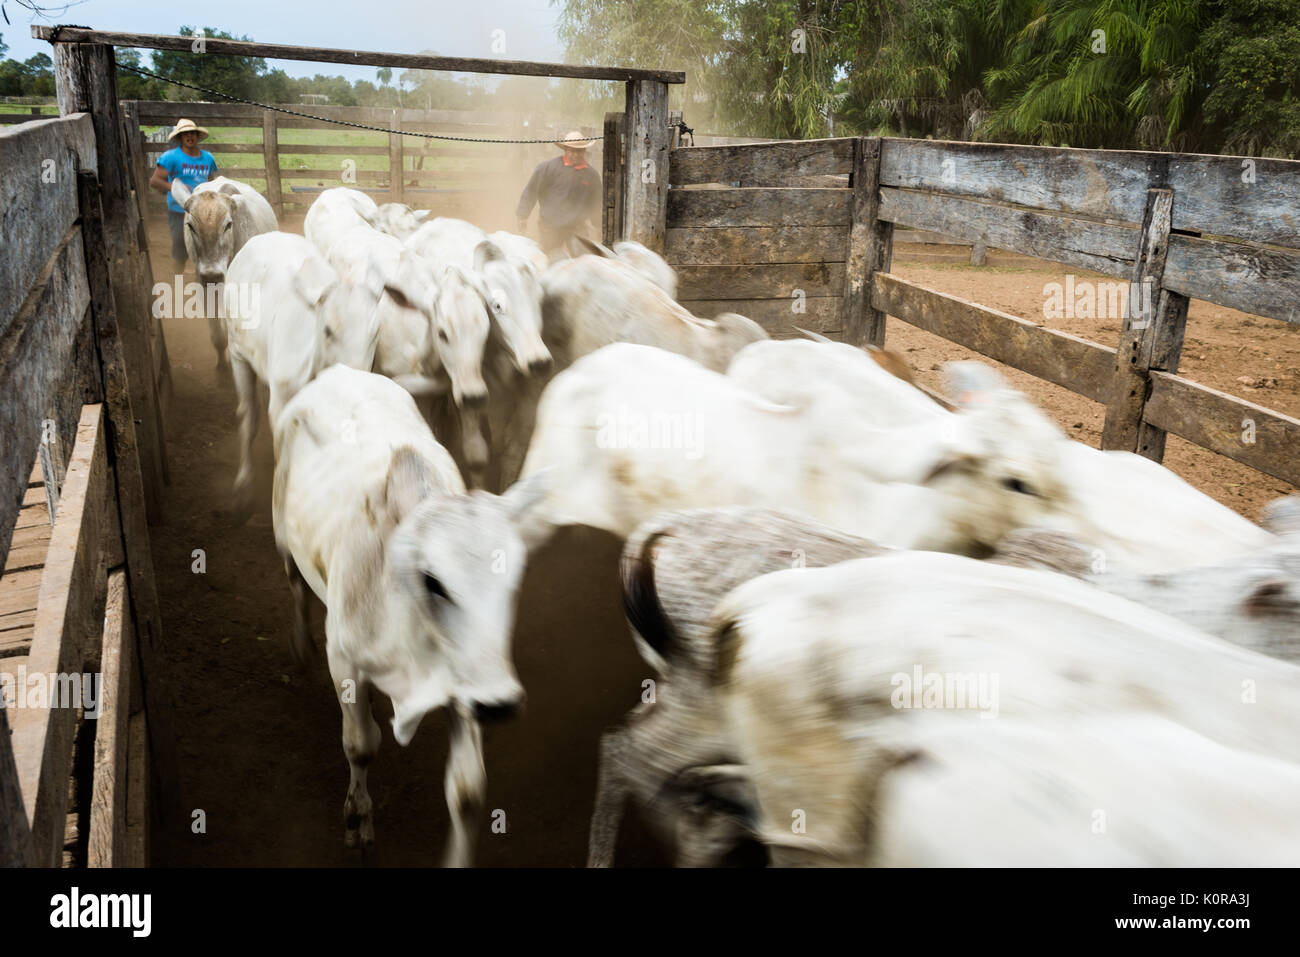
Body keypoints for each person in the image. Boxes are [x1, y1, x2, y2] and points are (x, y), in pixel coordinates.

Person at [149, 118, 218, 277]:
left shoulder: (207, 158)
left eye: (192, 133)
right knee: (180, 247)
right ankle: (176, 276)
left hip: (203, 211)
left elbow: (211, 181)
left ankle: (201, 278)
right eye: (185, 134)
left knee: (205, 246)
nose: (189, 137)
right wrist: (175, 188)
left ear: (197, 136)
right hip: (179, 210)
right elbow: (155, 181)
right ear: (180, 137)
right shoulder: (171, 157)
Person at [516, 130, 602, 255]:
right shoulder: (548, 168)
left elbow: (596, 201)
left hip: (577, 225)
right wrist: (523, 215)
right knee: (551, 257)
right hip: (551, 225)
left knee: (583, 259)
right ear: (565, 150)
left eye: (579, 151)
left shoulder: (591, 174)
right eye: (572, 151)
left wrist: (598, 225)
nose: (576, 155)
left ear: (584, 151)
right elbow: (532, 190)